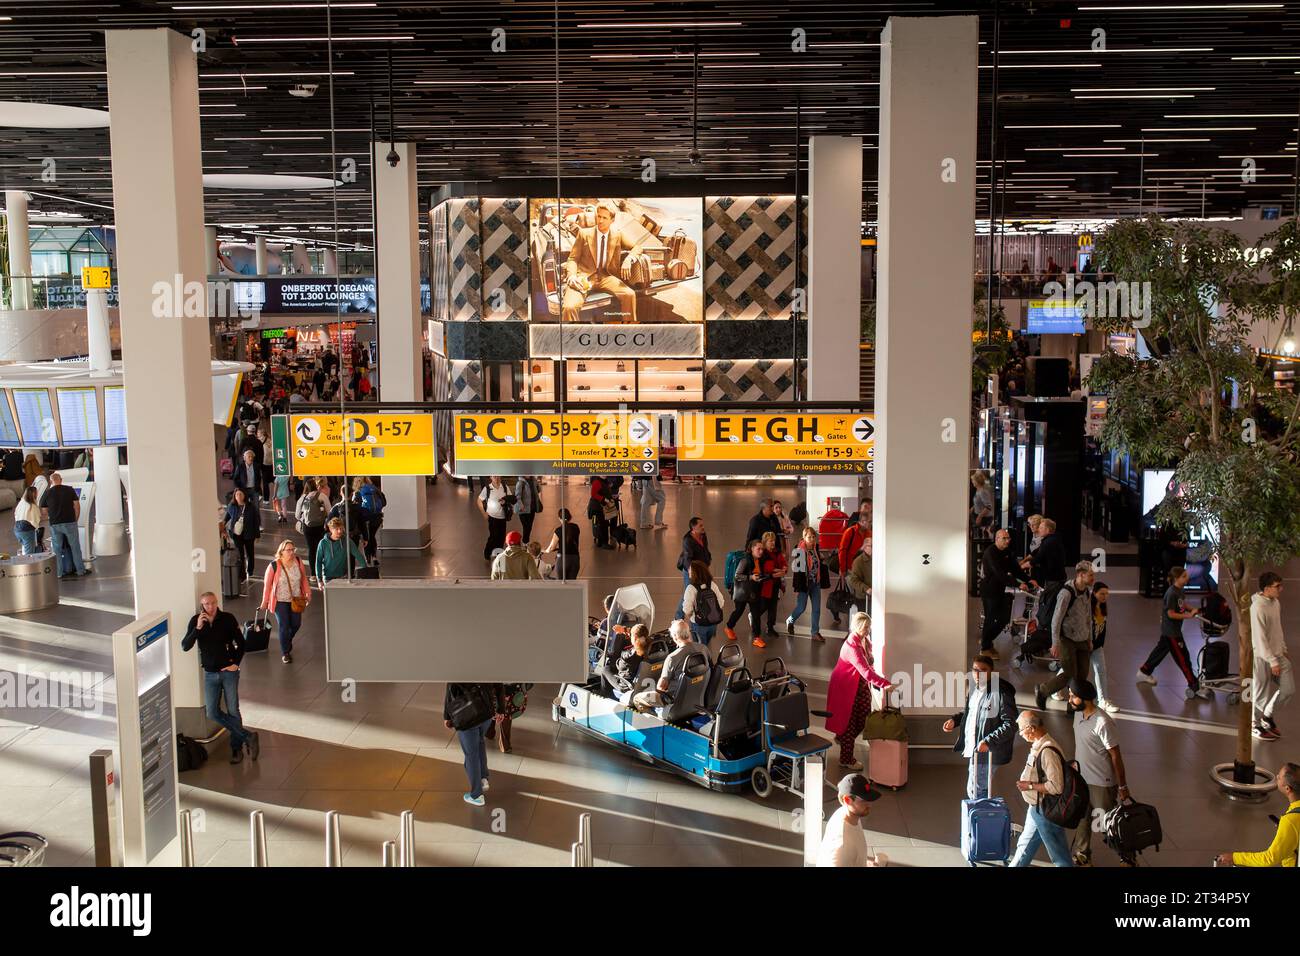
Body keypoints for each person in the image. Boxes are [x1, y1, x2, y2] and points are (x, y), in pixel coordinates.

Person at [182, 591, 258, 764]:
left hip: (229, 672)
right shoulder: (196, 621)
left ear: (217, 602)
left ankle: (236, 749)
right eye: (206, 604)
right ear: (202, 606)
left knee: (233, 710)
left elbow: (242, 643)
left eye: (213, 603)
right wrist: (198, 629)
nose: (210, 607)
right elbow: (185, 646)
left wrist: (236, 663)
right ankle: (248, 737)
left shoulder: (227, 619)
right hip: (210, 674)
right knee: (212, 712)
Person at [1067, 678, 1130, 866]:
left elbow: (1116, 756)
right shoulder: (1078, 715)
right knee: (1083, 819)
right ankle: (1082, 855)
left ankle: (1127, 857)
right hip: (1082, 779)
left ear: (1086, 698)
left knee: (1105, 823)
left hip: (1101, 783)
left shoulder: (1103, 722)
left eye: (1073, 696)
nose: (1070, 699)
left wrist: (1123, 785)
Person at [943, 655, 1019, 801]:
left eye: (983, 670)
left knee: (977, 791)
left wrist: (988, 741)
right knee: (975, 788)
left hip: (988, 751)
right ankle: (978, 819)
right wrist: (955, 720)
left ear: (992, 671)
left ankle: (980, 820)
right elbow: (971, 712)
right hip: (976, 747)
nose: (978, 674)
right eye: (975, 670)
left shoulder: (1001, 692)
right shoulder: (975, 688)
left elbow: (1011, 724)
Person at [1010, 710, 1073, 867]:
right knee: (1024, 847)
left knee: (1059, 856)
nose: (1020, 733)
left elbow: (1056, 786)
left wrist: (1029, 786)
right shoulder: (1039, 745)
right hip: (1038, 809)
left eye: (1021, 729)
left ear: (1031, 729)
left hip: (1045, 811)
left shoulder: (1047, 752)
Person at [561, 202, 641, 323]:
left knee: (629, 294)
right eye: (599, 216)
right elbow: (573, 259)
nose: (600, 220)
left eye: (605, 218)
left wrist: (629, 259)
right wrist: (571, 275)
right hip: (584, 277)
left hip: (607, 277)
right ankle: (572, 336)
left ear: (612, 220)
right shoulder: (584, 233)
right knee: (569, 307)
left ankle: (629, 329)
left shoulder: (618, 235)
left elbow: (638, 247)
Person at [1136, 566, 1207, 697]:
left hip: (1171, 631)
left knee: (1160, 651)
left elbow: (1182, 604)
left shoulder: (1180, 591)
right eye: (1184, 576)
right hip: (1172, 632)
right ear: (1176, 578)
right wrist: (1188, 616)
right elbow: (1171, 614)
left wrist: (1193, 609)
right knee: (1183, 658)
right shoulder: (1171, 593)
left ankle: (1144, 671)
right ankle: (1194, 685)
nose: (1187, 578)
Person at [1035, 560, 1096, 711]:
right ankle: (1043, 690)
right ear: (1081, 575)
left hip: (1082, 638)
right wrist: (1055, 643)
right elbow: (1056, 619)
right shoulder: (1066, 593)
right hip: (1067, 639)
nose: (1093, 578)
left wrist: (1089, 639)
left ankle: (1072, 706)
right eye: (1091, 575)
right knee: (1069, 673)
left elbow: (1088, 616)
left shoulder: (1087, 592)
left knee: (1081, 675)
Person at [1215, 762, 1300, 867]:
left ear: (1287, 789)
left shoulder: (1290, 821)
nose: (1276, 777)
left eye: (1279, 777)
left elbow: (1269, 859)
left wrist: (1234, 858)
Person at [1251, 571, 1292, 740]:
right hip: (1262, 656)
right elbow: (1260, 638)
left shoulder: (1275, 603)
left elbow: (1277, 629)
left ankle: (1267, 716)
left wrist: (1283, 648)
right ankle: (1255, 724)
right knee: (1260, 692)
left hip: (1277, 654)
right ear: (1267, 588)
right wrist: (1272, 661)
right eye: (1277, 586)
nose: (1281, 589)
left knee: (1288, 690)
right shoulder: (1258, 607)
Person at [631, 620, 704, 713]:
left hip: (672, 700)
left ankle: (654, 721)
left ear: (674, 636)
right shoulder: (703, 649)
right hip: (696, 696)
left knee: (637, 698)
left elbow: (660, 688)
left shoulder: (672, 657)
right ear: (688, 632)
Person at [980, 528, 1031, 659]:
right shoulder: (990, 552)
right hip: (989, 590)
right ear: (997, 539)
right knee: (990, 619)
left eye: (1008, 538)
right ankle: (985, 648)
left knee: (1004, 618)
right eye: (1004, 538)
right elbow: (999, 573)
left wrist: (1029, 580)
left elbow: (1016, 569)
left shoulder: (1007, 552)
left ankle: (987, 640)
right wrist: (1018, 584)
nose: (1007, 541)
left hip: (1000, 589)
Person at [816, 773, 886, 868]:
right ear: (847, 800)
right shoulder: (843, 845)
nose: (869, 804)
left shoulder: (848, 814)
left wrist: (863, 862)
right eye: (864, 800)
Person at [445, 682, 495, 806]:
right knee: (480, 742)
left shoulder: (457, 670)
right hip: (485, 711)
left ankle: (476, 795)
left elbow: (450, 691)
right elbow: (498, 685)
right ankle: (483, 779)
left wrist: (447, 716)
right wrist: (500, 709)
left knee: (471, 755)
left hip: (466, 715)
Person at [261, 539, 310, 664]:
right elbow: (267, 585)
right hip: (280, 601)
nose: (291, 552)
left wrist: (307, 593)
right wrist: (264, 601)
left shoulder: (298, 562)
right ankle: (285, 653)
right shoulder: (274, 565)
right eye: (288, 550)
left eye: (293, 549)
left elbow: (304, 579)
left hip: (296, 599)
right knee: (284, 626)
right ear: (281, 551)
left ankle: (286, 640)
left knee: (296, 624)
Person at [39, 472, 88, 578]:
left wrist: (52, 514)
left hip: (55, 524)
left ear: (51, 481)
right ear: (61, 480)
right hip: (70, 522)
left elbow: (44, 511)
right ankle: (80, 570)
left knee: (57, 549)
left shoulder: (47, 493)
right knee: (75, 547)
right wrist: (75, 519)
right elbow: (77, 506)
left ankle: (59, 573)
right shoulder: (69, 489)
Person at [787, 527, 828, 643]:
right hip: (804, 585)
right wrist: (798, 587)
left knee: (816, 609)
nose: (812, 539)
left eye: (814, 537)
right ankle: (790, 620)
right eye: (809, 537)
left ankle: (815, 632)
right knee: (801, 607)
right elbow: (797, 572)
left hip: (815, 583)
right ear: (804, 538)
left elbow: (818, 564)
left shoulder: (816, 548)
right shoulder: (800, 551)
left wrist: (822, 560)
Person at [724, 540, 767, 645]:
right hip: (743, 591)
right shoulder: (745, 560)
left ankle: (757, 638)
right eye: (758, 549)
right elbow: (737, 575)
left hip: (754, 591)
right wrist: (750, 577)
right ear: (752, 549)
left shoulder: (760, 560)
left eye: (762, 549)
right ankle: (729, 627)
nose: (761, 551)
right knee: (739, 610)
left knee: (756, 614)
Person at [1089, 581, 1119, 713]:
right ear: (1094, 593)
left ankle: (1102, 700)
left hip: (1097, 646)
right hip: (1085, 645)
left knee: (1101, 671)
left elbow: (1102, 629)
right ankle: (1052, 689)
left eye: (1107, 594)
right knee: (1070, 671)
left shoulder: (1103, 607)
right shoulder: (1087, 607)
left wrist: (1099, 644)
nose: (1105, 596)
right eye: (1102, 593)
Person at [681, 560, 726, 645]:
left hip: (699, 624)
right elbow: (721, 602)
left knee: (700, 647)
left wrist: (692, 616)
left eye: (690, 569)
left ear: (695, 572)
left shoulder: (691, 588)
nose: (688, 571)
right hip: (713, 623)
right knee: (706, 644)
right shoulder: (712, 584)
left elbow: (687, 609)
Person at [674, 516, 711, 620]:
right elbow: (687, 558)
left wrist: (707, 561)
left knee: (701, 591)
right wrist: (691, 571)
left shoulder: (703, 535)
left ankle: (699, 615)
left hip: (702, 568)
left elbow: (705, 549)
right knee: (687, 594)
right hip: (691, 570)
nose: (703, 527)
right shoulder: (688, 540)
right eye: (701, 525)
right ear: (693, 528)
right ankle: (677, 619)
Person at [315, 516, 367, 585]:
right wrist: (319, 580)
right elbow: (318, 561)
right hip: (328, 578)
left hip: (343, 576)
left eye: (341, 528)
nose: (339, 531)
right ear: (330, 529)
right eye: (336, 529)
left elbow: (358, 555)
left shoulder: (347, 541)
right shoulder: (323, 543)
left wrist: (366, 571)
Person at [223, 487, 260, 579]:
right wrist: (223, 526)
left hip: (249, 534)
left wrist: (257, 535)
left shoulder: (251, 507)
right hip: (236, 534)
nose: (238, 496)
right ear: (234, 496)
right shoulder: (232, 506)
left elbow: (256, 521)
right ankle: (242, 574)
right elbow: (227, 516)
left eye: (240, 494)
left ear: (244, 496)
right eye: (237, 495)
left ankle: (250, 570)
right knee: (240, 554)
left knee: (250, 553)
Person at [757, 531, 788, 640]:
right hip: (766, 585)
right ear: (765, 542)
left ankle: (770, 627)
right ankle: (754, 617)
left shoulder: (777, 552)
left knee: (773, 607)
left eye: (774, 541)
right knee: (764, 606)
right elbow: (767, 569)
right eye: (770, 541)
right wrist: (779, 571)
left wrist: (784, 568)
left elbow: (783, 562)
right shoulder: (763, 554)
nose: (773, 543)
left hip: (775, 584)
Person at [296, 478, 329, 578]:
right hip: (320, 526)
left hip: (308, 527)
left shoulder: (303, 498)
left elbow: (297, 515)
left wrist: (304, 518)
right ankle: (323, 571)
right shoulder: (322, 496)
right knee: (322, 548)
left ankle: (313, 574)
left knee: (311, 550)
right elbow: (329, 510)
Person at [488, 682, 529, 755]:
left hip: (498, 683)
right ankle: (504, 744)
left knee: (493, 706)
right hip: (512, 684)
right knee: (506, 713)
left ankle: (490, 733)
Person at [478, 475, 511, 561]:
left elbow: (510, 498)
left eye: (497, 476)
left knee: (501, 537)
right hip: (492, 517)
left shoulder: (504, 487)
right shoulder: (487, 488)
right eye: (494, 476)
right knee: (493, 536)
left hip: (503, 517)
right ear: (491, 478)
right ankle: (487, 552)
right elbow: (479, 500)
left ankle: (498, 555)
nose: (496, 478)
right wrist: (484, 513)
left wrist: (505, 501)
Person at [543, 508, 581, 580]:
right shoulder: (576, 527)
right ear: (570, 516)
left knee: (561, 584)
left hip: (562, 559)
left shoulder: (559, 530)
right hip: (575, 559)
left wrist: (544, 551)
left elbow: (551, 548)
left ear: (559, 518)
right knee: (572, 583)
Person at [837, 502, 872, 581]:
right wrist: (843, 569)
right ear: (862, 521)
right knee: (853, 592)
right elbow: (842, 551)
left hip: (865, 569)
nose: (871, 524)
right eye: (869, 522)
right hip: (851, 569)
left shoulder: (869, 533)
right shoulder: (850, 532)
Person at [1029, 518, 1066, 589]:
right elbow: (1036, 552)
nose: (1038, 530)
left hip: (1054, 579)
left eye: (1041, 528)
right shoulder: (1052, 539)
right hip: (1056, 577)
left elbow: (1038, 557)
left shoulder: (1048, 542)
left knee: (1051, 599)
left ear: (1047, 530)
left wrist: (1027, 564)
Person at [845, 539, 872, 620]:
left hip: (875, 597)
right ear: (864, 548)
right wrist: (866, 589)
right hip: (863, 598)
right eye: (871, 546)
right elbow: (853, 580)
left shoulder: (879, 559)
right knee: (864, 621)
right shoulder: (858, 561)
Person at [513, 475, 542, 543]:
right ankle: (525, 542)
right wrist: (521, 505)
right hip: (523, 509)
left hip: (532, 508)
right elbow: (517, 496)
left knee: (529, 527)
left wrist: (538, 484)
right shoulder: (520, 482)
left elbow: (538, 491)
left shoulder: (533, 480)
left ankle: (525, 543)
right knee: (526, 527)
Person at [12, 485, 40, 555]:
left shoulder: (21, 503)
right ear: (34, 494)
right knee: (29, 554)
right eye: (37, 493)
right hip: (26, 531)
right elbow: (35, 520)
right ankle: (29, 565)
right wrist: (37, 528)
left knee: (25, 548)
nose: (37, 494)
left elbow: (15, 514)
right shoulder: (32, 506)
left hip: (17, 529)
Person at [587, 475, 612, 550]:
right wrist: (604, 499)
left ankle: (600, 542)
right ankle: (604, 543)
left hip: (600, 506)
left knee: (600, 524)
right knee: (603, 524)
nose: (604, 475)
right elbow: (594, 494)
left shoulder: (605, 481)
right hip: (597, 507)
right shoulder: (597, 482)